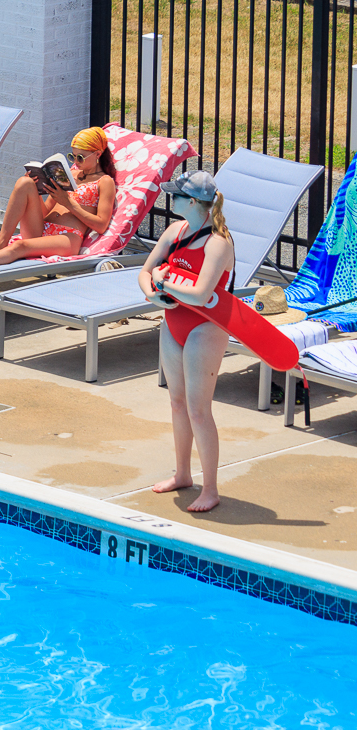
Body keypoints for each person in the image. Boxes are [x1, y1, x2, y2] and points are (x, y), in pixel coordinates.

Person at [139, 170, 235, 514]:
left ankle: (210, 488)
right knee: (177, 403)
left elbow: (201, 294)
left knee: (198, 408)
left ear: (193, 202)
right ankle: (183, 474)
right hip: (173, 322)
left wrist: (164, 284)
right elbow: (145, 271)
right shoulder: (174, 232)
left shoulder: (218, 243)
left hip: (205, 328)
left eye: (176, 197)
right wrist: (153, 293)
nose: (171, 201)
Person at [0, 126, 118, 272]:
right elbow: (45, 211)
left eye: (80, 157)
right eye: (72, 156)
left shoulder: (104, 182)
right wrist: (36, 187)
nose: (75, 161)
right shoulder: (70, 174)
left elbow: (101, 225)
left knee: (20, 246)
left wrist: (68, 203)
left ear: (97, 154)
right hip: (42, 228)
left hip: (67, 237)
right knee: (25, 183)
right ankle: (2, 242)